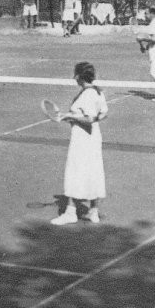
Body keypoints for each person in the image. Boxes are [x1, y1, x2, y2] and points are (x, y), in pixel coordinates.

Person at [51, 61, 108, 225]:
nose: (73, 77)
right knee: (93, 170)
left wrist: (71, 116)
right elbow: (102, 114)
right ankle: (93, 211)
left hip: (83, 139)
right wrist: (71, 116)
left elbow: (88, 119)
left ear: (79, 76)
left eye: (75, 74)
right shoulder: (98, 92)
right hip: (94, 137)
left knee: (74, 171)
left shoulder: (88, 95)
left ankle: (70, 213)